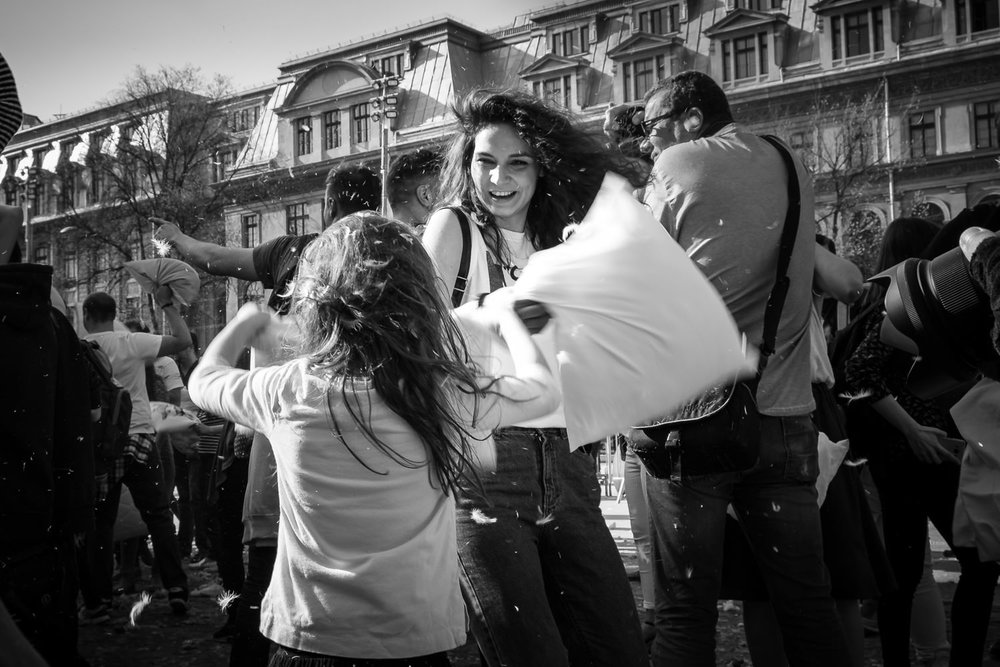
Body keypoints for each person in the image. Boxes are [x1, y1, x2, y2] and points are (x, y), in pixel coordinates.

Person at [189, 214, 560, 665]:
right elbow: (544, 390)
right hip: (414, 643)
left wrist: (244, 323)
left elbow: (203, 381)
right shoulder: (442, 393)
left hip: (307, 640)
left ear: (315, 300)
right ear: (421, 299)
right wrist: (507, 321)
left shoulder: (286, 389)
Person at [421, 88, 648, 667]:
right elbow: (418, 338)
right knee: (531, 655)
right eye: (485, 161)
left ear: (541, 166)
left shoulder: (560, 241)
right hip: (486, 469)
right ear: (466, 161)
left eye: (517, 162)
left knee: (617, 647)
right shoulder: (453, 228)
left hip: (570, 468)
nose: (498, 178)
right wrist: (497, 310)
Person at [636, 70, 850, 666]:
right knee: (808, 603)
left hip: (692, 420)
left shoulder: (676, 166)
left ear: (691, 119)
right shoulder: (791, 163)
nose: (650, 143)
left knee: (685, 607)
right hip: (785, 421)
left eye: (654, 129)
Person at [153, 162, 380, 666]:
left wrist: (176, 239)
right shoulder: (389, 261)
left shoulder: (295, 252)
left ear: (327, 206)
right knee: (345, 570)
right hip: (357, 442)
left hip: (282, 435)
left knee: (265, 563)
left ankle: (259, 644)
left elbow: (210, 258)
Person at [844, 216, 1000, 666]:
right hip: (919, 453)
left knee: (909, 572)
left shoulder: (902, 303)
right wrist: (913, 429)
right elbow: (859, 375)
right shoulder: (908, 307)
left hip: (911, 455)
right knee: (966, 566)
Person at [79, 290, 192, 619]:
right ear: (114, 312)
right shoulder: (132, 342)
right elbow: (183, 340)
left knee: (100, 524)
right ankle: (176, 589)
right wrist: (168, 305)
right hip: (141, 438)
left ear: (86, 313)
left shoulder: (80, 348)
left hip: (103, 446)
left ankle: (98, 602)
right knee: (158, 516)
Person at [386, 147, 442, 230]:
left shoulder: (377, 239)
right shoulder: (441, 238)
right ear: (425, 195)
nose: (454, 201)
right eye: (447, 192)